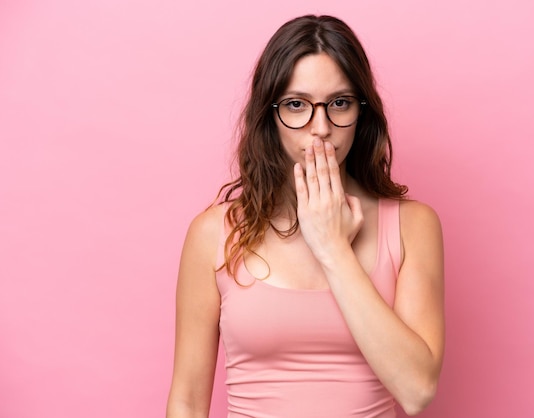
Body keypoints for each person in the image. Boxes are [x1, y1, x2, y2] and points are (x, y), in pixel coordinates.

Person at [166, 14, 445, 418]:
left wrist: (333, 248)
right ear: (270, 115)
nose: (320, 128)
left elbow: (417, 390)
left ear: (361, 111)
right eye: (297, 105)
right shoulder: (213, 234)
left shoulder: (412, 226)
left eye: (340, 103)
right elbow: (188, 402)